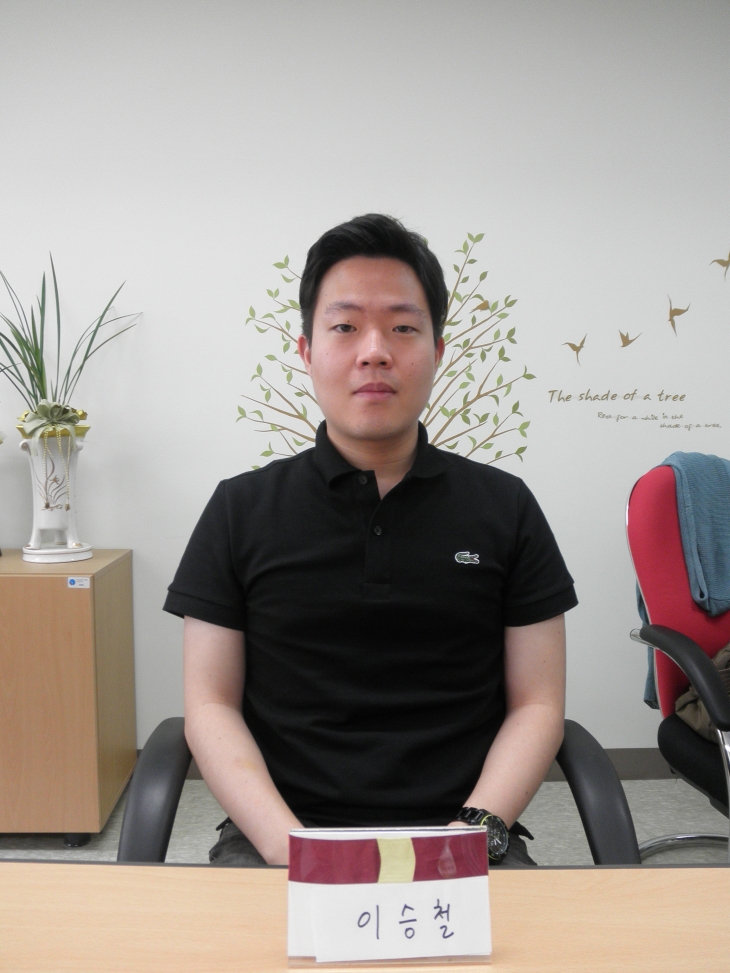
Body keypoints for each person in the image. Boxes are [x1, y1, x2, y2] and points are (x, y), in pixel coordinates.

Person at [163, 214, 577, 868]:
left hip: (464, 835)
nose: (375, 351)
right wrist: (288, 846)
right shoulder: (239, 511)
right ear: (306, 351)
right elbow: (210, 704)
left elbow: (538, 703)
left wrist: (473, 829)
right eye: (345, 326)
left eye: (404, 328)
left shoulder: (506, 507)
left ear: (438, 352)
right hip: (281, 838)